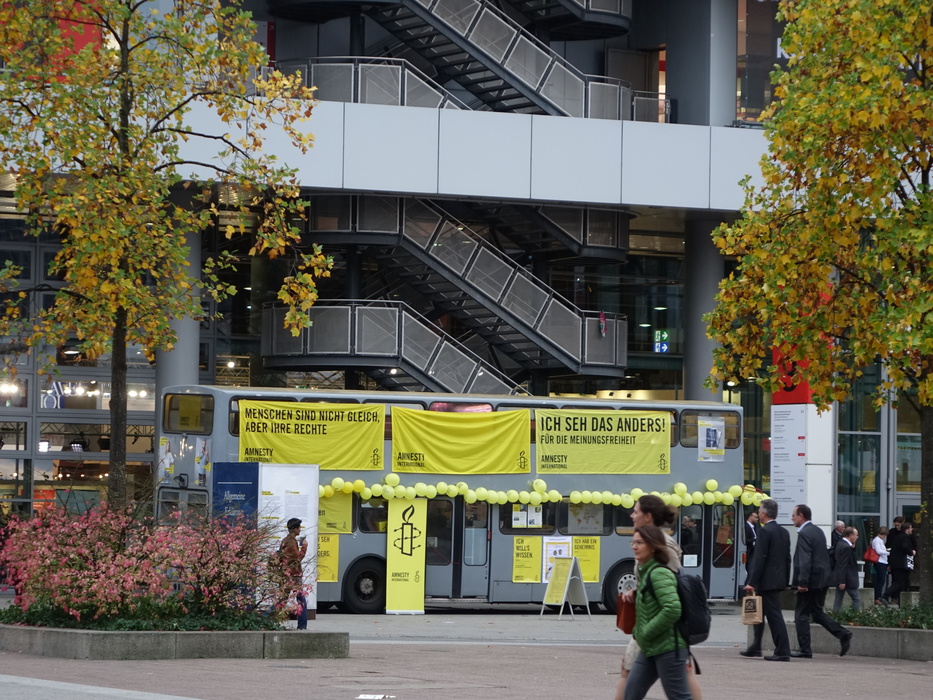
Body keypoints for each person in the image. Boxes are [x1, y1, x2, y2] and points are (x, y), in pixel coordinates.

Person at [615, 496, 701, 700]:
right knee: (630, 680)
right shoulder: (649, 550)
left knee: (680, 681)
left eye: (636, 511)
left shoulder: (664, 549)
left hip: (663, 635)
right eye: (634, 542)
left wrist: (646, 631)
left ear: (648, 516)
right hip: (652, 634)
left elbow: (672, 593)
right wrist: (637, 592)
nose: (632, 515)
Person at [622, 525, 692, 700]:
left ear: (653, 546)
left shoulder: (659, 573)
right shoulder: (646, 571)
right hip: (651, 647)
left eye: (639, 542)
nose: (634, 546)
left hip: (668, 648)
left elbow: (672, 608)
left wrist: (646, 631)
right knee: (631, 694)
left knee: (679, 697)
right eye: (633, 542)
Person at [790, 504, 852, 657]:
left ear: (801, 516)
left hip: (810, 581)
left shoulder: (804, 533)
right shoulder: (817, 531)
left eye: (794, 515)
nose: (792, 518)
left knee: (801, 614)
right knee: (817, 613)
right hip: (822, 579)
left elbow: (805, 559)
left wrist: (802, 582)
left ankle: (805, 649)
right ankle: (843, 633)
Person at [740, 498, 791, 661]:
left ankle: (782, 650)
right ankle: (756, 646)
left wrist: (751, 582)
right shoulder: (784, 532)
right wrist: (785, 581)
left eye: (759, 511)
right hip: (777, 580)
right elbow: (787, 559)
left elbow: (759, 558)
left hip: (766, 581)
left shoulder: (764, 532)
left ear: (764, 513)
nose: (758, 513)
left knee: (774, 616)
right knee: (759, 614)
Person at [280, 517, 309, 630]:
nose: (300, 529)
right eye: (299, 527)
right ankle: (302, 626)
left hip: (286, 574)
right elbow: (298, 558)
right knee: (301, 601)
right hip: (294, 575)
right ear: (295, 529)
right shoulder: (291, 542)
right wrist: (304, 547)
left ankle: (269, 620)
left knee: (282, 600)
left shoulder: (285, 540)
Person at [883, 520, 914, 606]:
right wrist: (911, 552)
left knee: (900, 582)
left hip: (895, 563)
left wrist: (890, 563)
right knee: (899, 582)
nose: (912, 530)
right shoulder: (905, 537)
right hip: (901, 564)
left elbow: (893, 551)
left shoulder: (897, 537)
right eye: (911, 528)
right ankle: (885, 596)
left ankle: (901, 602)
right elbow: (905, 547)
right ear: (907, 530)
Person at [831, 526, 860, 612]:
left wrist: (853, 548)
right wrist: (842, 581)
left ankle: (835, 615)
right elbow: (843, 565)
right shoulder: (846, 547)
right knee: (856, 598)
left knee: (838, 599)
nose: (857, 537)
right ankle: (855, 616)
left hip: (840, 577)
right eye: (856, 535)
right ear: (851, 535)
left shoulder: (840, 543)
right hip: (848, 578)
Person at [870, 527, 889, 604]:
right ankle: (877, 597)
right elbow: (878, 551)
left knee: (881, 580)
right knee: (880, 580)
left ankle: (878, 597)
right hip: (880, 562)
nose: (885, 537)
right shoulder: (877, 540)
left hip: (882, 562)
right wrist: (888, 553)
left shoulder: (879, 540)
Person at [744, 509, 759, 574]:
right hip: (749, 552)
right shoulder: (746, 526)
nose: (757, 519)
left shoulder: (753, 527)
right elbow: (745, 540)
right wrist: (755, 539)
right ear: (750, 516)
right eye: (756, 517)